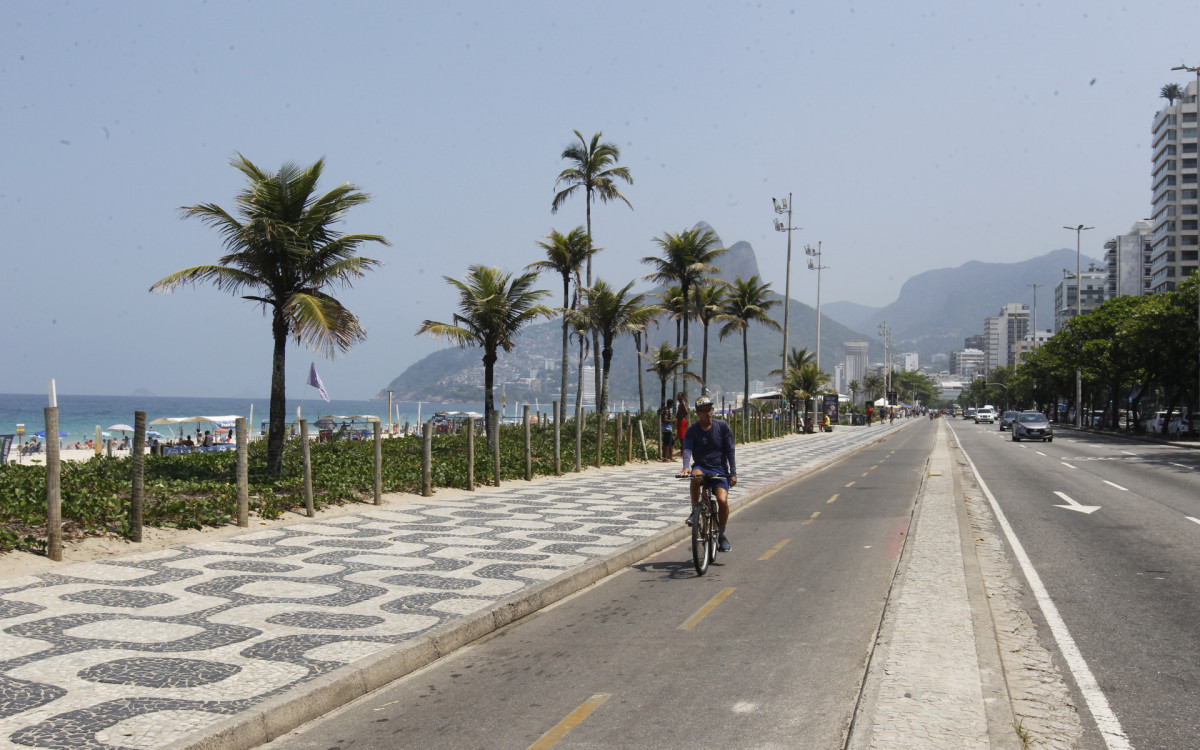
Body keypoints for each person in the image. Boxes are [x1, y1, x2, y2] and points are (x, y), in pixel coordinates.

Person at [677, 396, 737, 552]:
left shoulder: (722, 426)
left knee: (722, 501)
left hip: (720, 469)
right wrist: (685, 467)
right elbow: (688, 449)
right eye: (703, 411)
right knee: (695, 477)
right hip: (701, 466)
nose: (707, 413)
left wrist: (733, 473)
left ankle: (722, 535)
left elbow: (730, 450)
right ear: (697, 413)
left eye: (709, 409)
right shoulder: (692, 431)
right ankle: (694, 509)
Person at [675, 392, 689, 463]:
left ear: (682, 396)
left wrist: (681, 417)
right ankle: (682, 452)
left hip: (682, 421)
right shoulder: (680, 403)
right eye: (678, 396)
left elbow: (686, 411)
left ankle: (683, 453)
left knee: (682, 438)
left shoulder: (682, 403)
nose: (678, 397)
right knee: (681, 438)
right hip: (680, 421)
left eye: (679, 396)